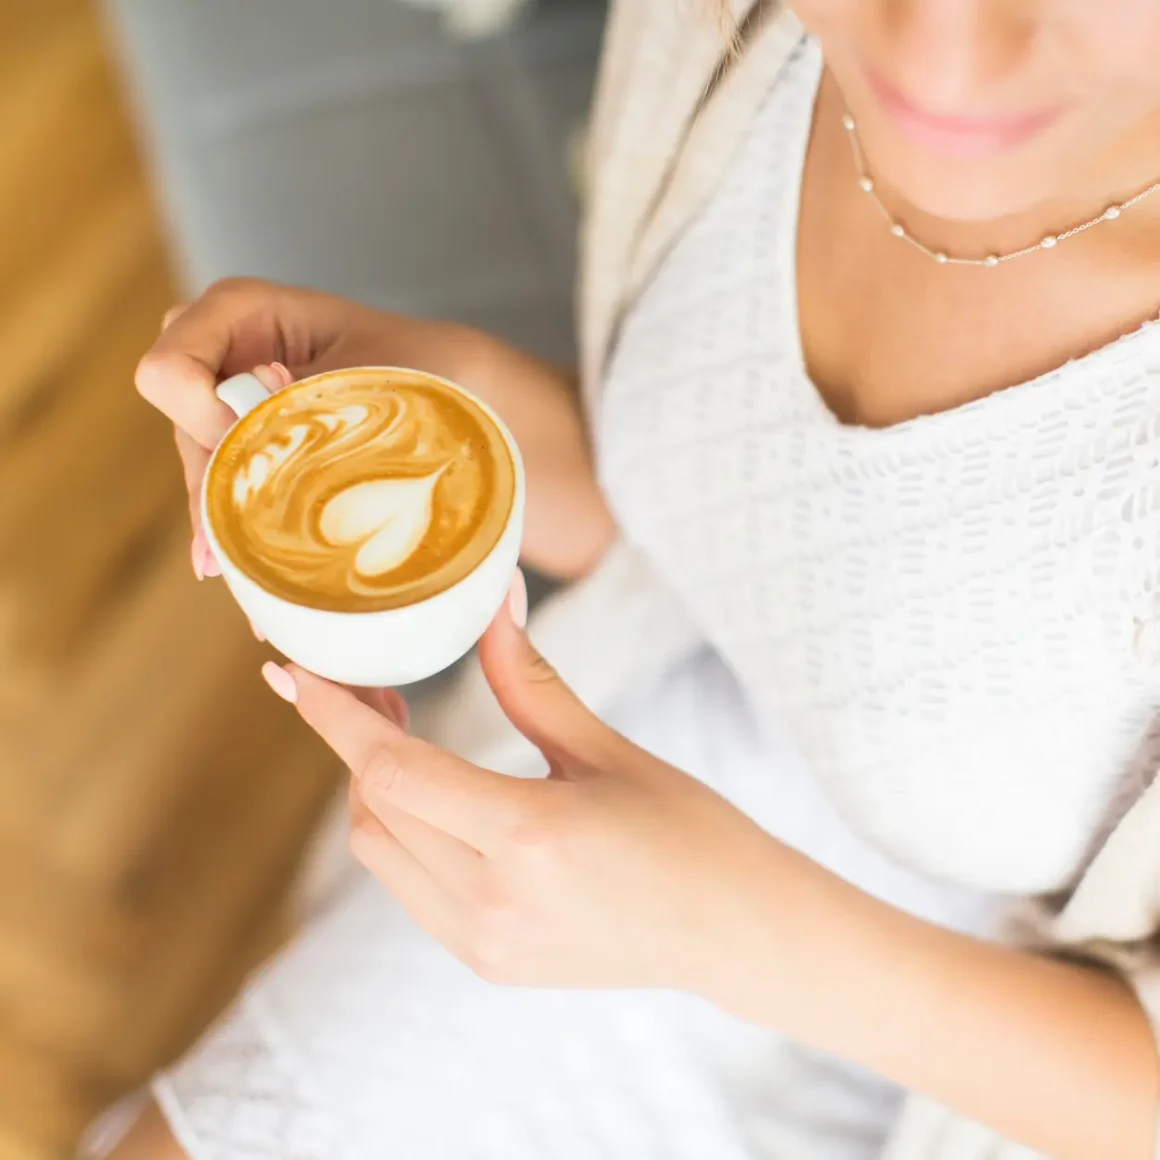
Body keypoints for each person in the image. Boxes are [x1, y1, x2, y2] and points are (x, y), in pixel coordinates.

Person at [110, 0, 1160, 1156]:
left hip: (993, 1056)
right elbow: (722, 528)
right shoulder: (718, 31)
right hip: (647, 771)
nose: (941, 58)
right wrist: (455, 396)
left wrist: (716, 934)